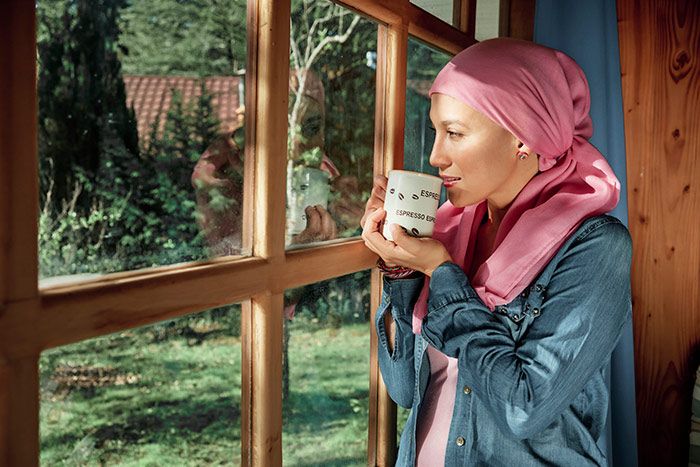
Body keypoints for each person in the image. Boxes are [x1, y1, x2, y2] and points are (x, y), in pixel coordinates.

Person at [361, 38, 632, 466]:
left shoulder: (595, 246)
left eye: (454, 133)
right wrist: (401, 271)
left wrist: (444, 274)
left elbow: (522, 408)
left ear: (523, 139)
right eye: (435, 131)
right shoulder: (448, 231)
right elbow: (404, 390)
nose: (435, 156)